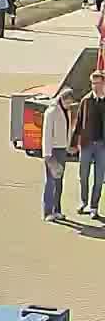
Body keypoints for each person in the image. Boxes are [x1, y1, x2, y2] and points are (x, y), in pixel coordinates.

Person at [45, 87, 79, 221]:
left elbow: (66, 131)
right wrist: (48, 155)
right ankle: (48, 211)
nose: (69, 106)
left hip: (61, 149)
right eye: (68, 103)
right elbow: (47, 135)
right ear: (63, 99)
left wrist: (68, 147)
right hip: (52, 150)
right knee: (51, 182)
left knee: (59, 182)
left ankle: (57, 210)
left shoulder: (65, 111)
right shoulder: (52, 111)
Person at [76, 71, 105, 219]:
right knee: (83, 175)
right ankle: (84, 202)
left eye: (98, 83)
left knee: (99, 178)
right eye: (93, 84)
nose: (96, 86)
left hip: (102, 146)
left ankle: (94, 206)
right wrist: (74, 143)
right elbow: (78, 123)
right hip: (87, 144)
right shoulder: (86, 101)